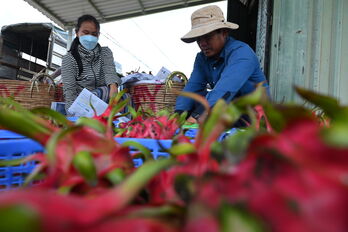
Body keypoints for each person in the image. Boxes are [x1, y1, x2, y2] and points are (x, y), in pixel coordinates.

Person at [175, 5, 269, 124]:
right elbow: (192, 88)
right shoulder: (201, 58)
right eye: (198, 39)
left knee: (213, 103)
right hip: (229, 112)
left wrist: (194, 118)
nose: (202, 44)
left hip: (253, 115)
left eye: (208, 37)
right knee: (195, 98)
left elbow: (225, 90)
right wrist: (177, 116)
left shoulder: (242, 52)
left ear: (224, 33)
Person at [61, 14, 121, 115]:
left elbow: (110, 73)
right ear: (77, 33)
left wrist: (113, 87)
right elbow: (69, 92)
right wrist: (72, 118)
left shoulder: (105, 53)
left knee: (123, 97)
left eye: (94, 34)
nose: (90, 37)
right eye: (86, 32)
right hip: (83, 106)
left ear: (98, 35)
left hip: (105, 102)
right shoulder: (69, 59)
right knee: (100, 92)